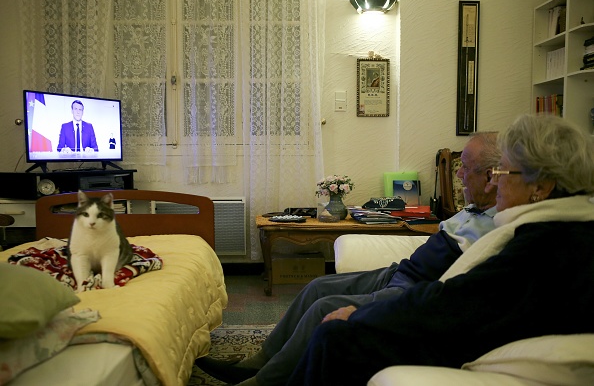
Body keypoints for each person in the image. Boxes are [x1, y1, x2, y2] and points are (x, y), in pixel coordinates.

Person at [287, 114, 594, 386]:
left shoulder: (544, 244)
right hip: (476, 331)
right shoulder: (566, 230)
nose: (495, 184)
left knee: (334, 337)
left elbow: (452, 302)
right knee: (323, 298)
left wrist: (360, 314)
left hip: (472, 345)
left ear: (541, 186)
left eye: (503, 173)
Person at [195, 132, 501, 386]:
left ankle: (262, 383)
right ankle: (257, 362)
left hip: (414, 287)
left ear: (490, 177)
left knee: (324, 308)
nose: (458, 175)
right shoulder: (476, 208)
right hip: (400, 271)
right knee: (316, 287)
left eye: (465, 168)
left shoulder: (501, 226)